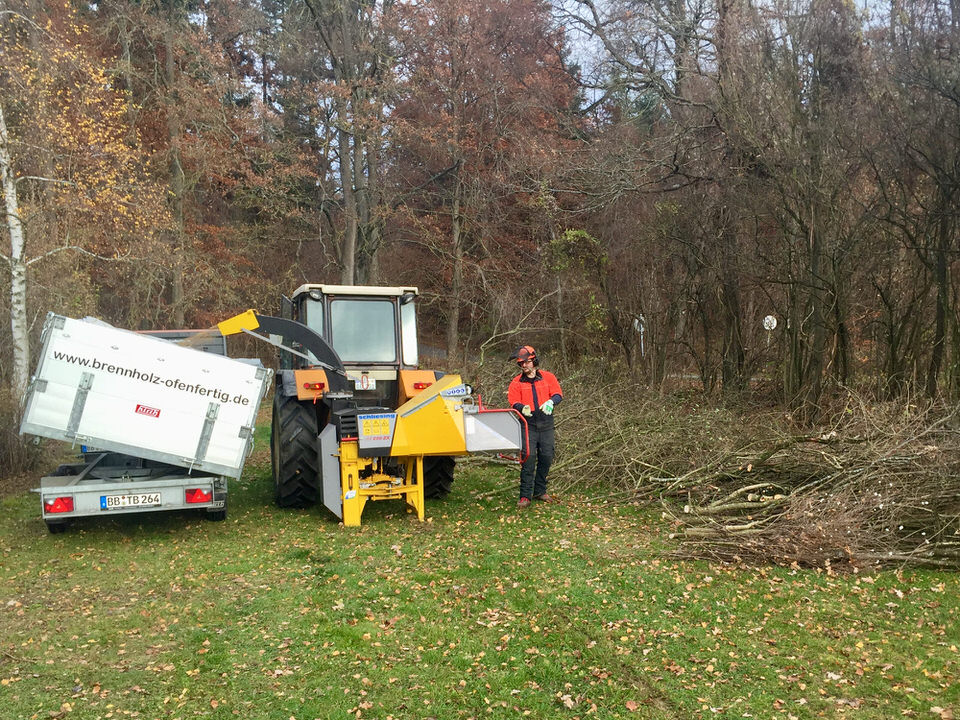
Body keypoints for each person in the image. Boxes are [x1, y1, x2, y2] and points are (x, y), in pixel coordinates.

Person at [507, 345, 563, 509]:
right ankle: (525, 495)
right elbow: (513, 401)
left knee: (546, 456)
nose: (523, 366)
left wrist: (552, 402)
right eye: (521, 364)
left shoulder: (548, 377)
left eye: (526, 362)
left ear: (534, 360)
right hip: (528, 425)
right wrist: (521, 407)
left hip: (546, 423)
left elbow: (558, 394)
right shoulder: (516, 382)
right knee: (528, 458)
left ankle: (540, 490)